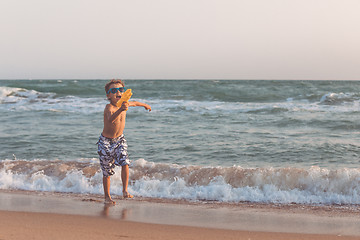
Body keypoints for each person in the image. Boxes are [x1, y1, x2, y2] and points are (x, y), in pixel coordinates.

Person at [97, 79, 151, 204]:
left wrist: (145, 105)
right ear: (108, 95)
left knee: (125, 162)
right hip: (105, 142)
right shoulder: (109, 107)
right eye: (114, 90)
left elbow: (135, 103)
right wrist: (121, 109)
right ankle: (107, 197)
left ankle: (125, 190)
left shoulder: (125, 103)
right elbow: (111, 119)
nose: (118, 92)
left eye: (120, 90)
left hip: (119, 139)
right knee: (107, 172)